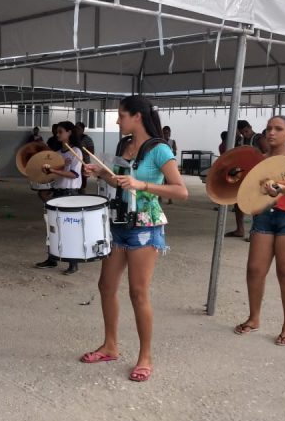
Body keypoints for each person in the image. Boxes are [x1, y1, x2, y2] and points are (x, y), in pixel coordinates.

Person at [81, 96, 187, 382]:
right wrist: (101, 173)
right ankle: (110, 346)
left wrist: (143, 185)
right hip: (118, 222)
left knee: (138, 293)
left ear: (137, 116)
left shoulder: (160, 149)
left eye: (121, 115)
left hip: (144, 226)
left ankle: (145, 356)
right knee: (106, 286)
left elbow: (180, 191)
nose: (118, 121)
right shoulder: (123, 145)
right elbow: (120, 180)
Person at [233, 115, 285, 347]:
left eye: (278, 128)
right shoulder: (260, 160)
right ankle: (254, 318)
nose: (271, 132)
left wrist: (280, 188)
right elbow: (250, 191)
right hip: (265, 216)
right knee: (255, 269)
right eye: (268, 128)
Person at [34, 121, 84, 275]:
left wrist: (54, 170)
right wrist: (48, 171)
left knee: (70, 228)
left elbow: (74, 174)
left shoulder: (76, 151)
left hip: (70, 194)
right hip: (58, 192)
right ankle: (52, 258)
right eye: (57, 132)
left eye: (61, 131)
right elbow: (55, 173)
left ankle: (73, 263)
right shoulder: (58, 153)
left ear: (69, 132)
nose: (57, 134)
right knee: (52, 227)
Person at [76, 122, 95, 195]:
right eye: (75, 128)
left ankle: (83, 197)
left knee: (82, 185)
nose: (76, 130)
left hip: (84, 164)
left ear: (83, 130)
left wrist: (81, 148)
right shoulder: (73, 139)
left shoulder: (87, 139)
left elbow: (92, 152)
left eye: (78, 128)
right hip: (75, 163)